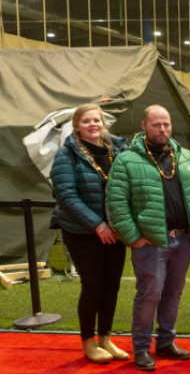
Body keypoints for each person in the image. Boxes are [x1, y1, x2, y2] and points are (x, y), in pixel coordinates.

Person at [107, 105, 190, 371]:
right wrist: (135, 239)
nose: (162, 129)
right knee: (149, 295)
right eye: (156, 124)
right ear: (144, 126)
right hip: (150, 243)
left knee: (173, 293)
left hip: (183, 241)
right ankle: (141, 348)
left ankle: (166, 341)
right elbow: (117, 204)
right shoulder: (127, 161)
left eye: (166, 124)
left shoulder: (185, 156)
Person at [50, 104, 129, 364]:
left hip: (115, 232)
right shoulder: (66, 154)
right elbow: (66, 195)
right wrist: (98, 225)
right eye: (86, 121)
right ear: (77, 125)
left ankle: (106, 337)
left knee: (112, 287)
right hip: (83, 232)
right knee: (93, 286)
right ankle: (88, 341)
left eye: (96, 120)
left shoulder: (118, 149)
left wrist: (119, 223)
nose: (93, 124)